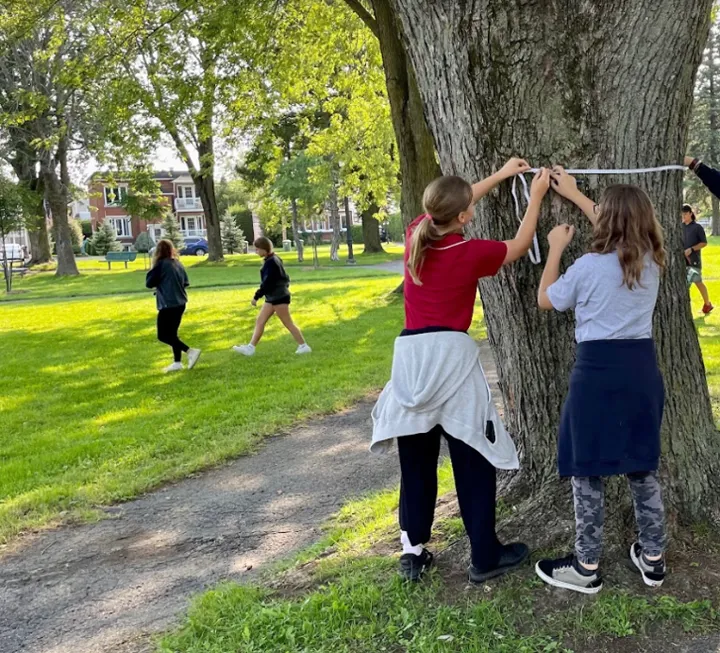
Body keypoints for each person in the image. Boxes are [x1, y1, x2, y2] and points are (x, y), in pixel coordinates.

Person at [371, 158, 550, 583]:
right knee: (473, 456)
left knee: (415, 461)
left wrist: (502, 175)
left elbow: (456, 199)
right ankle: (484, 554)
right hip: (450, 358)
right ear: (465, 217)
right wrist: (536, 194)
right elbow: (521, 243)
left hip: (411, 359)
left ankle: (412, 551)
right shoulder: (470, 251)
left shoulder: (418, 232)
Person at [534, 167, 667, 594]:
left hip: (596, 375)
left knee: (587, 468)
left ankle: (586, 566)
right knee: (641, 463)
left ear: (606, 222)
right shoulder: (652, 262)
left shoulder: (588, 267)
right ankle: (653, 558)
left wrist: (555, 249)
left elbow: (545, 300)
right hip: (642, 372)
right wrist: (575, 194)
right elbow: (622, 234)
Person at [233, 236, 311, 356]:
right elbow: (285, 278)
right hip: (272, 297)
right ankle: (250, 348)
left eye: (257, 249)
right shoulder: (274, 259)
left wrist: (256, 296)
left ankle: (303, 346)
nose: (256, 252)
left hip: (279, 298)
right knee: (260, 321)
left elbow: (267, 283)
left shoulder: (272, 262)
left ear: (264, 249)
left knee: (288, 323)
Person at [145, 239, 201, 373]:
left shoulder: (160, 265)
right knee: (172, 334)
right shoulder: (177, 264)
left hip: (168, 304)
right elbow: (185, 283)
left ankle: (190, 351)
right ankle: (177, 362)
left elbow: (149, 283)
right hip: (180, 303)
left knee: (163, 335)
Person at [681, 203, 713, 314]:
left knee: (697, 282)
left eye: (685, 214)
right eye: (682, 214)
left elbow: (704, 243)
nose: (683, 216)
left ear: (690, 213)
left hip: (694, 259)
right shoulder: (680, 227)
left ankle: (707, 304)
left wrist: (692, 249)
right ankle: (706, 304)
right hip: (682, 260)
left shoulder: (697, 227)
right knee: (688, 283)